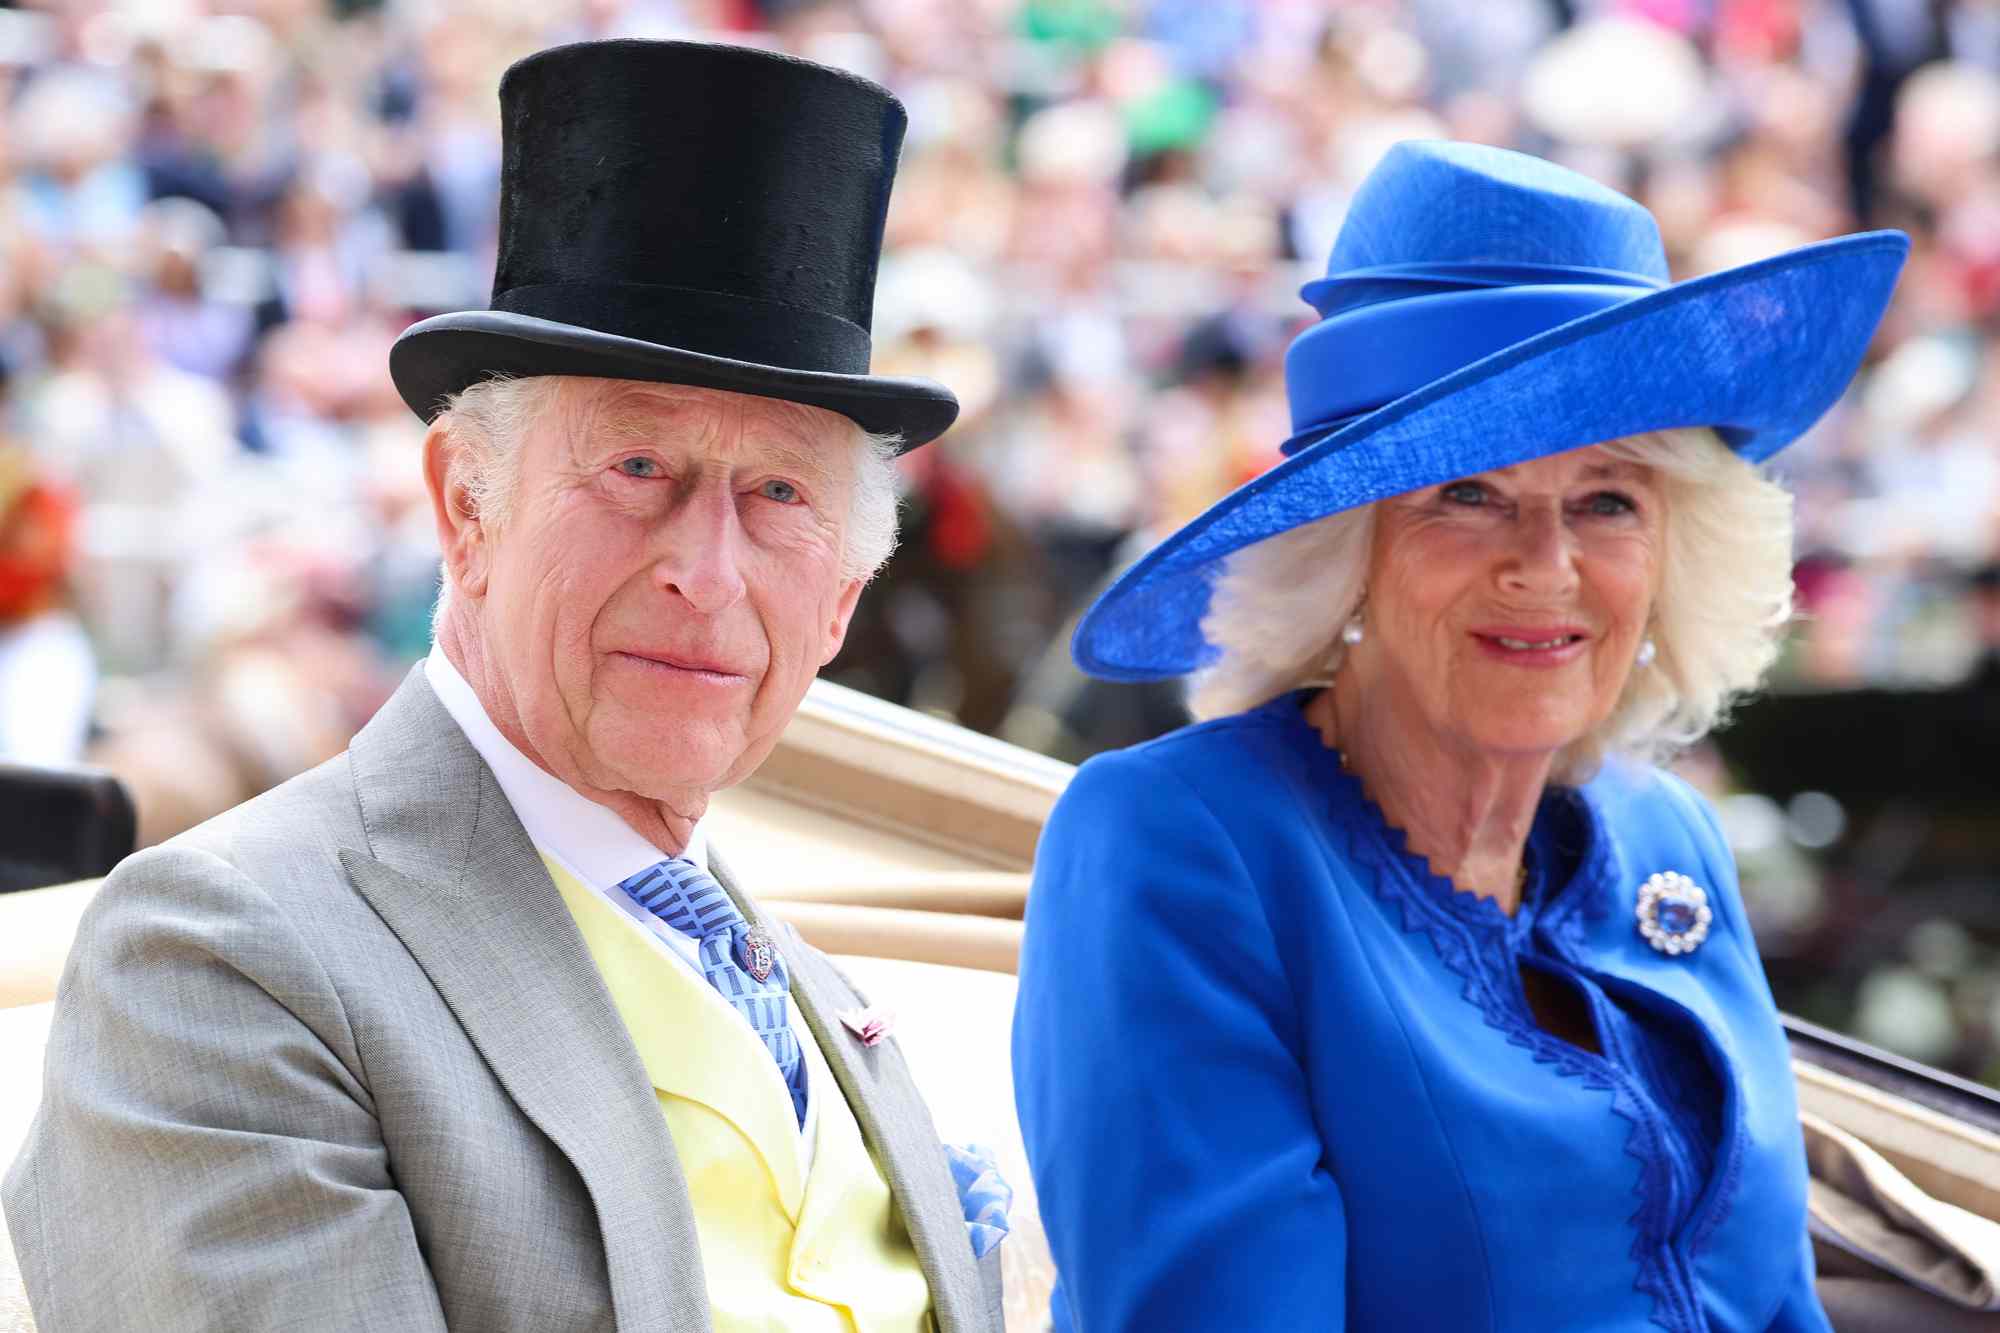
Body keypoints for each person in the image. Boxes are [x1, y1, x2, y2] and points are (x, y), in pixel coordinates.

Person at [5, 40, 1006, 1332]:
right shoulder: (224, 958)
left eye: (779, 494)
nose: (707, 572)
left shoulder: (824, 996)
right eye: (640, 466)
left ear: (842, 601)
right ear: (464, 507)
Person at [1012, 140, 1908, 1332]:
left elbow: (1772, 1300)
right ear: (1346, 553)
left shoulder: (1665, 836)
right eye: (1465, 496)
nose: (1545, 567)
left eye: (1606, 501)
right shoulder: (1179, 841)